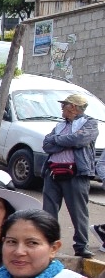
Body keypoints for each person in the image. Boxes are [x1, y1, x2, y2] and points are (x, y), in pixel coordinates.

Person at [41, 92, 97, 258]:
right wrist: (66, 141)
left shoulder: (89, 123)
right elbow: (46, 145)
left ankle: (81, 246)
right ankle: (48, 243)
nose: (62, 108)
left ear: (73, 107)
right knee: (48, 212)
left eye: (64, 105)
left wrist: (57, 140)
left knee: (78, 212)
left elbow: (79, 140)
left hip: (76, 174)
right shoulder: (60, 125)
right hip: (53, 172)